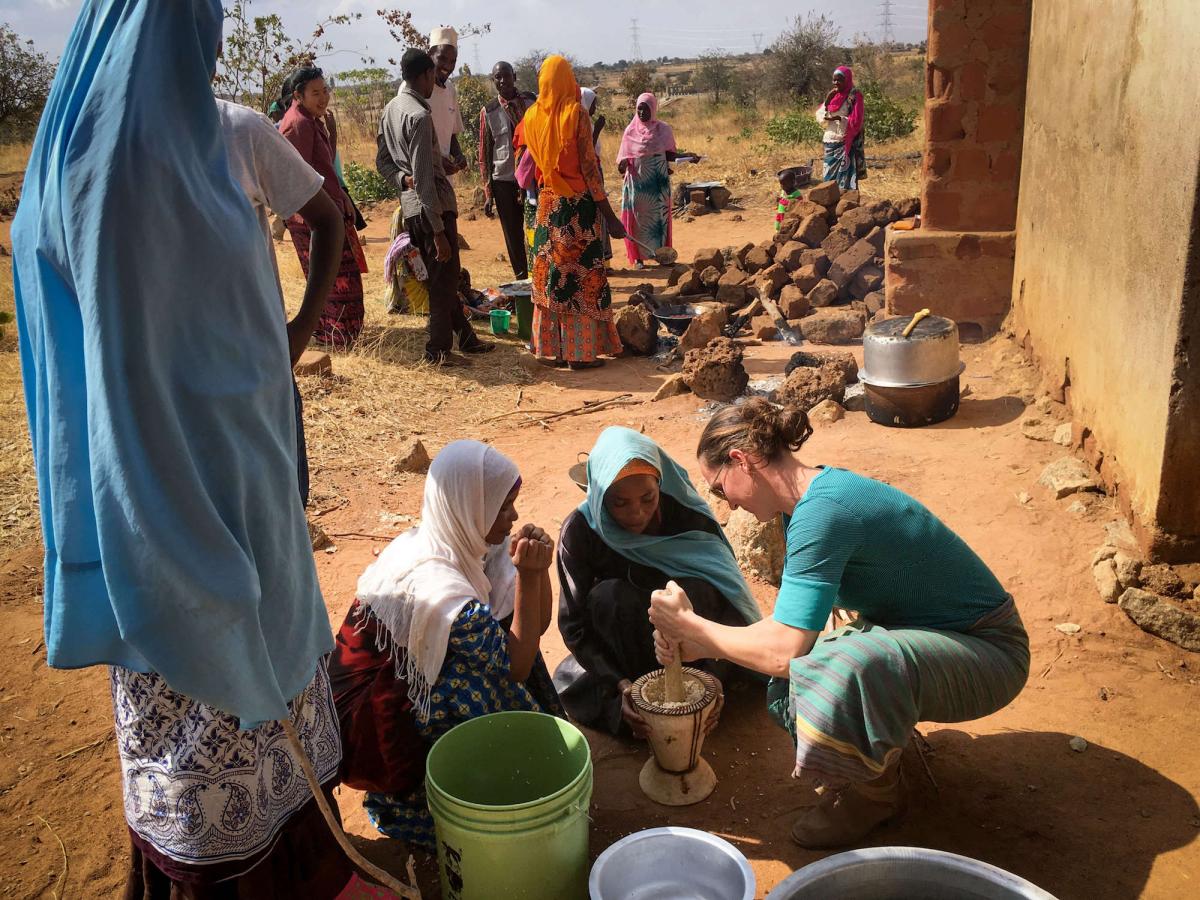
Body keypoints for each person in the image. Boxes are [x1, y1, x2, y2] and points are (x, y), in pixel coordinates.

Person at [12, 2, 357, 895]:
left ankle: (264, 836)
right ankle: (226, 856)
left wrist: (292, 337)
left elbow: (329, 218)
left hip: (201, 458)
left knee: (231, 632)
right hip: (169, 465)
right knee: (202, 651)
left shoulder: (210, 139)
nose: (204, 39)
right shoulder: (78, 164)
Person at [650, 399, 1030, 849]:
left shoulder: (824, 513)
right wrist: (703, 645)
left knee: (844, 666)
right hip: (946, 640)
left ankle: (874, 799)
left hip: (990, 653)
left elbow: (781, 651)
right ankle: (879, 753)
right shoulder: (808, 504)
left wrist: (692, 626)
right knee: (819, 661)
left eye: (719, 488)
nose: (727, 502)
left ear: (741, 461)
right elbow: (787, 631)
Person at [327, 440, 562, 850]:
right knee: (480, 685)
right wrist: (530, 574)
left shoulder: (467, 544)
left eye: (512, 503)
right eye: (503, 506)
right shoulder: (436, 583)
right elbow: (516, 666)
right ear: (470, 504)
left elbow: (534, 627)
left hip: (400, 691)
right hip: (367, 725)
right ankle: (416, 803)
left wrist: (534, 574)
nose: (514, 516)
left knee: (500, 642)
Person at [553, 427, 761, 736]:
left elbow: (728, 601)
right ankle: (634, 703)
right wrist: (621, 686)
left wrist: (715, 677)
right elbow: (575, 625)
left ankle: (700, 690)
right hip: (622, 654)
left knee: (697, 590)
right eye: (619, 503)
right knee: (608, 597)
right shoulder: (581, 531)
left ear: (660, 486)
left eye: (648, 498)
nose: (636, 513)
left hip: (696, 654)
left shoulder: (688, 517)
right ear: (599, 496)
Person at [215, 95, 344, 506]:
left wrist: (301, 331)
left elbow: (325, 215)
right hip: (168, 393)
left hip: (255, 376)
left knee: (279, 512)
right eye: (318, 90)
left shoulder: (238, 130)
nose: (324, 98)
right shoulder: (107, 136)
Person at [380, 48, 494, 365]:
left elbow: (384, 163)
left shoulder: (390, 110)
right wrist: (439, 231)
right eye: (433, 75)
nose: (435, 82)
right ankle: (439, 351)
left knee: (440, 279)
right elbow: (425, 178)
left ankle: (467, 339)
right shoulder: (419, 116)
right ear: (425, 75)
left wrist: (404, 180)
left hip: (412, 209)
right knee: (443, 283)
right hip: (433, 209)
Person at [515, 55, 627, 370]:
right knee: (581, 279)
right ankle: (580, 354)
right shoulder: (575, 114)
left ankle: (552, 350)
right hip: (577, 210)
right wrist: (611, 217)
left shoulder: (532, 116)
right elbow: (590, 172)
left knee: (551, 279)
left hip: (546, 207)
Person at [280, 66, 369, 349]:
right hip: (312, 214)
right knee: (334, 275)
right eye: (315, 93)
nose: (323, 98)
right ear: (298, 95)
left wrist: (331, 134)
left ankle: (335, 333)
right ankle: (336, 334)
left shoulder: (311, 120)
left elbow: (324, 164)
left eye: (325, 91)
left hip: (326, 207)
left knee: (334, 273)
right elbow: (298, 174)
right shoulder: (298, 124)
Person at [617, 93, 691, 269]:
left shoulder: (663, 130)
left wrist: (689, 156)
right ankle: (638, 258)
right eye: (639, 109)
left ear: (654, 109)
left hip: (659, 183)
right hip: (638, 184)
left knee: (661, 219)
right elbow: (622, 161)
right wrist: (622, 164)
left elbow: (670, 154)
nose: (642, 112)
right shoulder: (630, 131)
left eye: (646, 108)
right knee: (638, 219)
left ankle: (662, 254)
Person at [479, 61, 537, 280]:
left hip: (532, 179)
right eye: (497, 77)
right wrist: (488, 194)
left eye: (506, 76)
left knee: (536, 229)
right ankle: (522, 281)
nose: (502, 81)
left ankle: (539, 277)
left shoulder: (532, 102)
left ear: (515, 75)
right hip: (504, 181)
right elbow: (484, 154)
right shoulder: (489, 110)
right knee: (513, 236)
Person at [816, 66, 866, 191]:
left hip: (845, 142)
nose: (836, 83)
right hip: (830, 142)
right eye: (834, 80)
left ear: (847, 80)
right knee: (829, 180)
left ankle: (847, 206)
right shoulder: (833, 96)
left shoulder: (855, 96)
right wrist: (827, 101)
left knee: (846, 182)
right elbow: (820, 117)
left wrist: (840, 119)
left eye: (839, 80)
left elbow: (857, 120)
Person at [428, 27, 469, 178]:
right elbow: (407, 141)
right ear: (430, 55)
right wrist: (436, 161)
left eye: (453, 61)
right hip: (420, 180)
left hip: (445, 179)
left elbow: (450, 134)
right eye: (442, 59)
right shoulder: (413, 88)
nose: (448, 66)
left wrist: (458, 155)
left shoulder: (450, 89)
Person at [580, 87, 613, 262]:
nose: (595, 109)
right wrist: (598, 130)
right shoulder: (581, 124)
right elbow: (587, 152)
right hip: (589, 173)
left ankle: (603, 259)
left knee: (600, 216)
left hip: (596, 169)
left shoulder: (588, 123)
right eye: (593, 104)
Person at [774, 167, 805, 232]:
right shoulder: (783, 191)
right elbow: (782, 201)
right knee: (778, 229)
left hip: (788, 217)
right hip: (780, 215)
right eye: (781, 184)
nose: (782, 186)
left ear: (793, 182)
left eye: (784, 184)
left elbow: (799, 206)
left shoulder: (796, 194)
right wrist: (779, 200)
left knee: (786, 230)